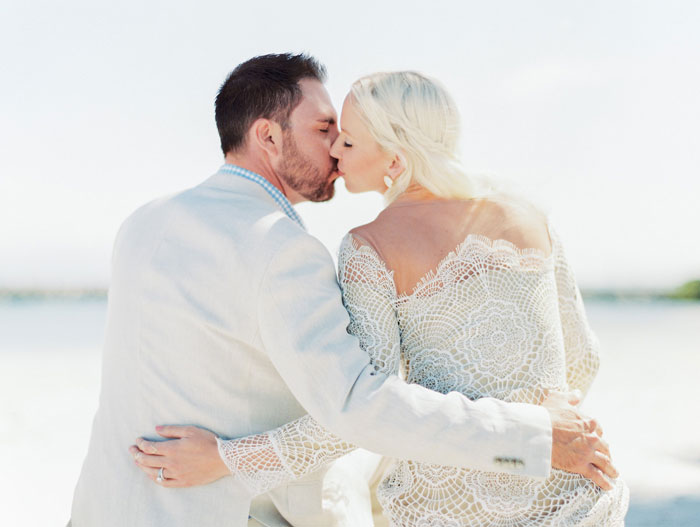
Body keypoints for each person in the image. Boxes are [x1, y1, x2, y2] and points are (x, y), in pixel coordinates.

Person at [70, 53, 616, 527]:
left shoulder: (142, 223)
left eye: (346, 136)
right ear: (267, 135)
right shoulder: (282, 247)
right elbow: (357, 406)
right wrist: (536, 432)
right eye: (325, 129)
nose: (335, 150)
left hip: (106, 506)